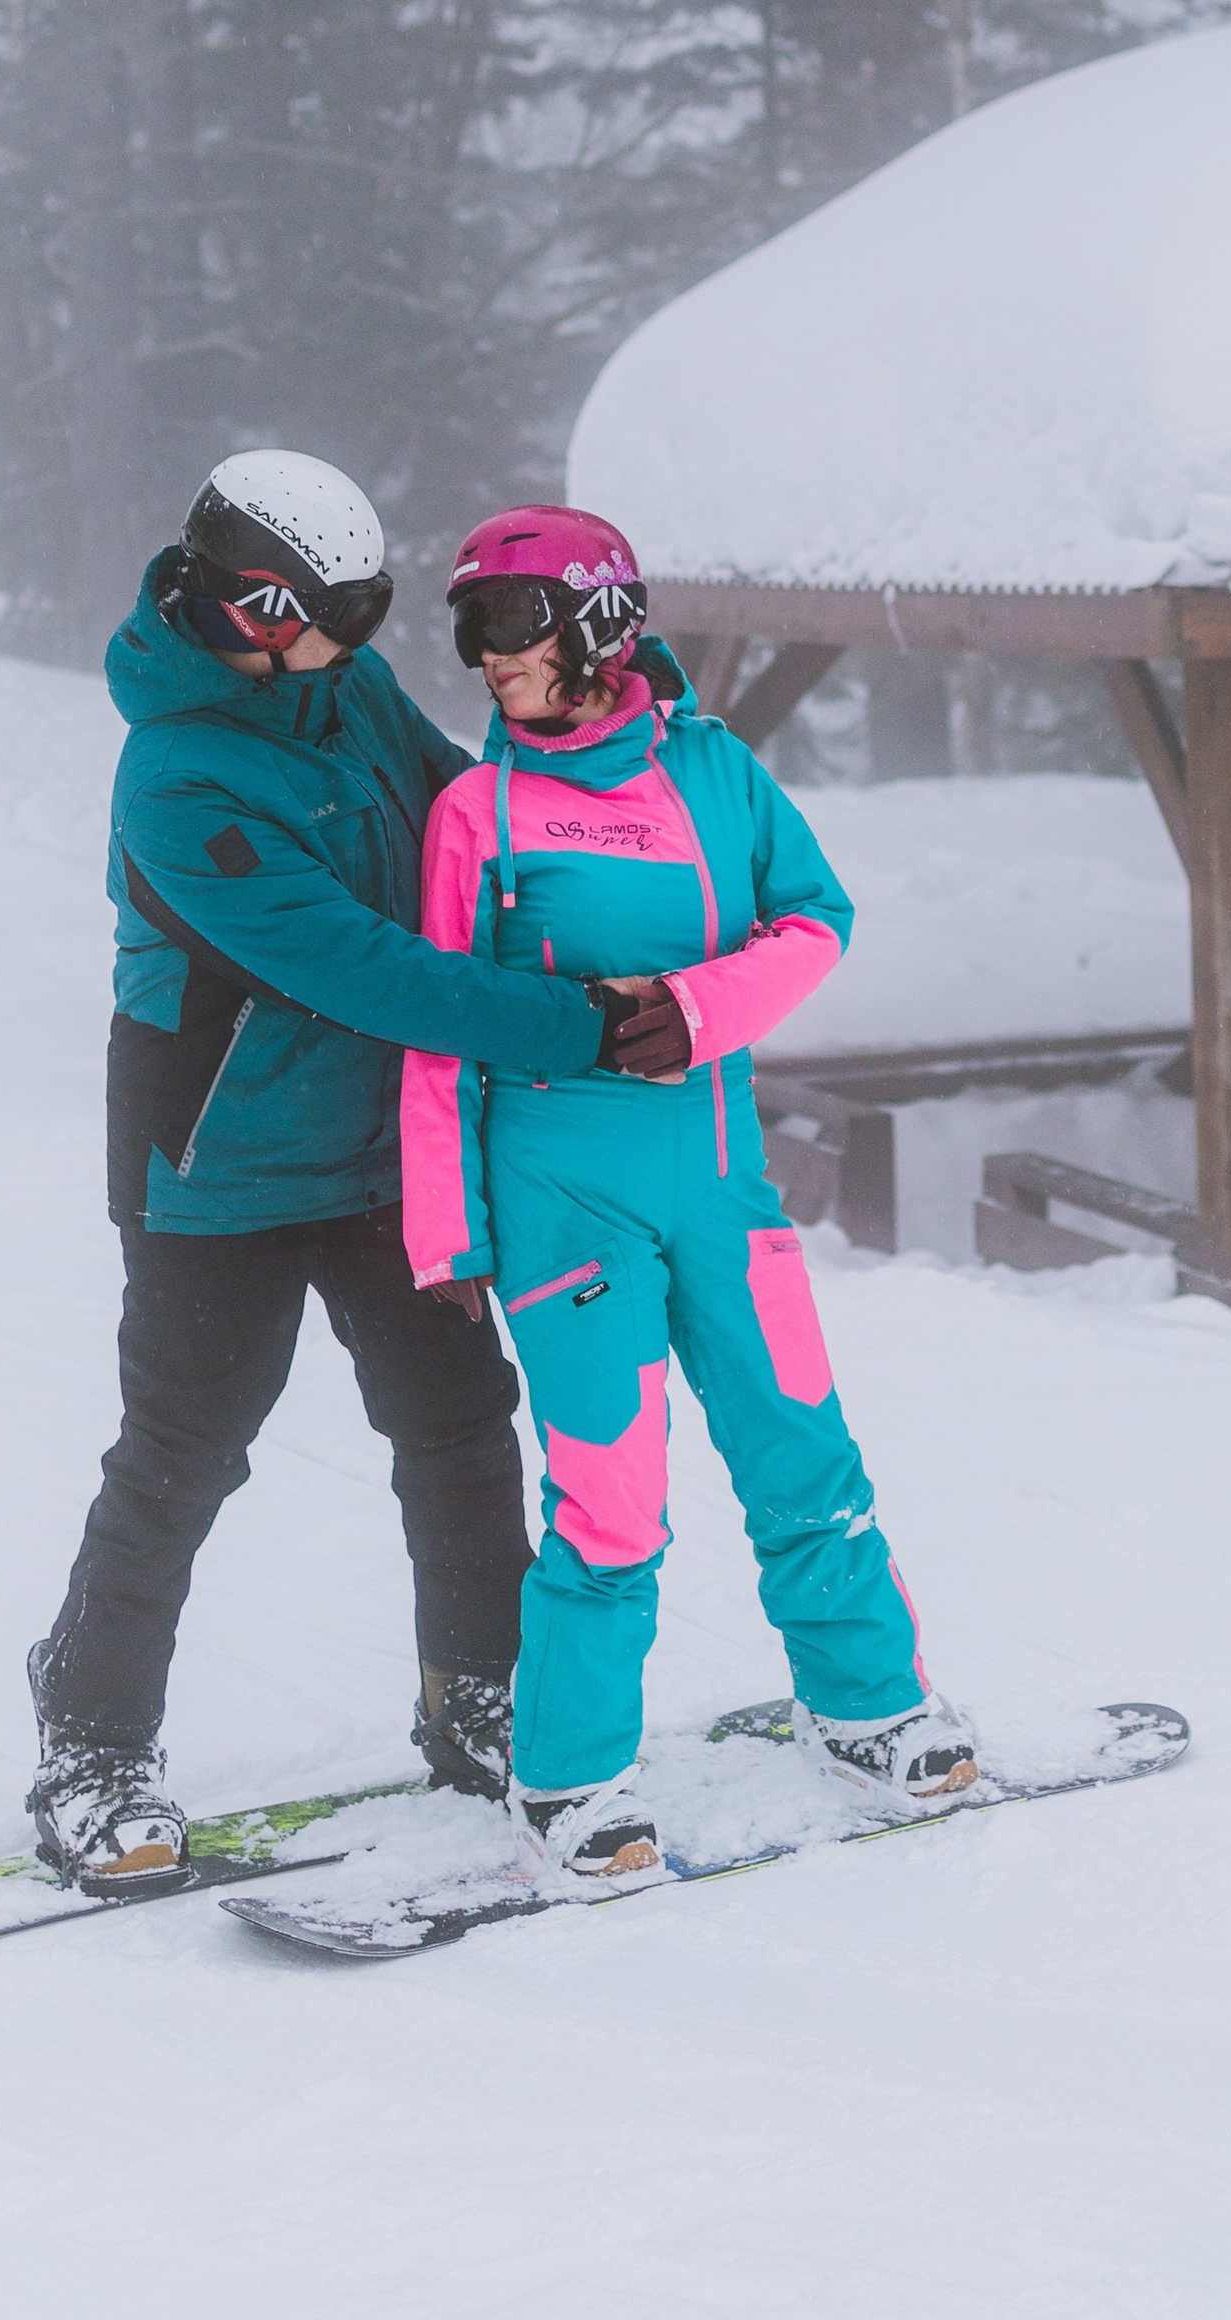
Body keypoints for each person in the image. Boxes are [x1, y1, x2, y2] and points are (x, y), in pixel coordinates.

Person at [26, 450, 677, 1891]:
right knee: (186, 1456)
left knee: (455, 1423)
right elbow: (363, 968)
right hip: (220, 1172)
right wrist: (582, 1027)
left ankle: (477, 1693)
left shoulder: (346, 692)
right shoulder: (177, 775)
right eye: (337, 613)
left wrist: (614, 775)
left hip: (384, 1154)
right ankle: (90, 1741)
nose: (362, 645)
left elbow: (466, 825)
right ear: (252, 605)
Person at [399, 503, 977, 1890]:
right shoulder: (477, 815)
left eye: (510, 626)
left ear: (599, 625)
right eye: (471, 632)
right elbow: (435, 1026)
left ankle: (868, 1708)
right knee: (611, 1501)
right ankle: (574, 1780)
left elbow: (816, 916)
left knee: (801, 1454)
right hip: (559, 1198)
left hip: (722, 1178)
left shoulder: (716, 775)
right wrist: (447, 1226)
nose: (487, 659)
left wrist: (703, 1007)